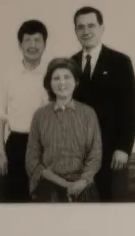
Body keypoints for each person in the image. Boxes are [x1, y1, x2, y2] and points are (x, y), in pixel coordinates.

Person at [69, 6, 135, 202]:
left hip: (112, 154)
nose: (86, 31)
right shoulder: (70, 64)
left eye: (91, 25)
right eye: (80, 27)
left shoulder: (120, 62)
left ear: (101, 28)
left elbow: (131, 109)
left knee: (113, 208)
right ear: (75, 31)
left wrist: (124, 148)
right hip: (79, 156)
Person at [0, 19, 52, 203]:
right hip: (16, 144)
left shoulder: (53, 75)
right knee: (16, 198)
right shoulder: (8, 76)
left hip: (46, 145)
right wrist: (1, 153)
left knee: (44, 199)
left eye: (37, 40)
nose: (32, 45)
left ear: (44, 44)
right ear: (20, 44)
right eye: (27, 40)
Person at [25, 58, 102, 202]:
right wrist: (66, 185)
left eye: (67, 77)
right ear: (49, 84)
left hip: (83, 186)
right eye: (56, 78)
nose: (62, 83)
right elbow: (32, 160)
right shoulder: (40, 116)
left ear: (76, 81)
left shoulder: (88, 113)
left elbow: (95, 154)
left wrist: (82, 182)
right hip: (49, 186)